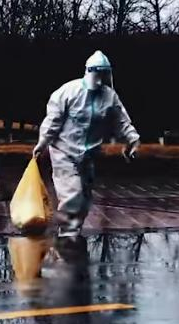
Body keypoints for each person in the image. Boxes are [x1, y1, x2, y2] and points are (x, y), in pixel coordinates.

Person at [34, 51, 140, 237]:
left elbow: (121, 120)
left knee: (84, 198)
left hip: (89, 154)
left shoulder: (109, 96)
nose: (100, 79)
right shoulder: (68, 92)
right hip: (64, 152)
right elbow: (53, 121)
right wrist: (42, 143)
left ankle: (73, 230)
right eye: (98, 74)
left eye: (104, 74)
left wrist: (132, 139)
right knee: (72, 195)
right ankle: (68, 236)